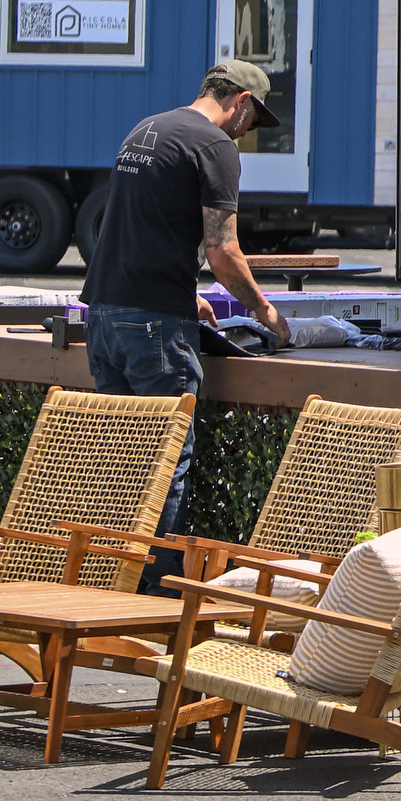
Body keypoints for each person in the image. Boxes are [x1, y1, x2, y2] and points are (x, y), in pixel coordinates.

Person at [78, 61, 293, 552]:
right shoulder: (215, 145)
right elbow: (223, 251)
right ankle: (154, 598)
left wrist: (184, 291)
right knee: (164, 461)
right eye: (254, 120)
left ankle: (110, 586)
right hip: (154, 327)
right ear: (240, 101)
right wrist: (266, 313)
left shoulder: (146, 129)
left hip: (105, 314)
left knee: (123, 462)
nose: (248, 133)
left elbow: (138, 226)